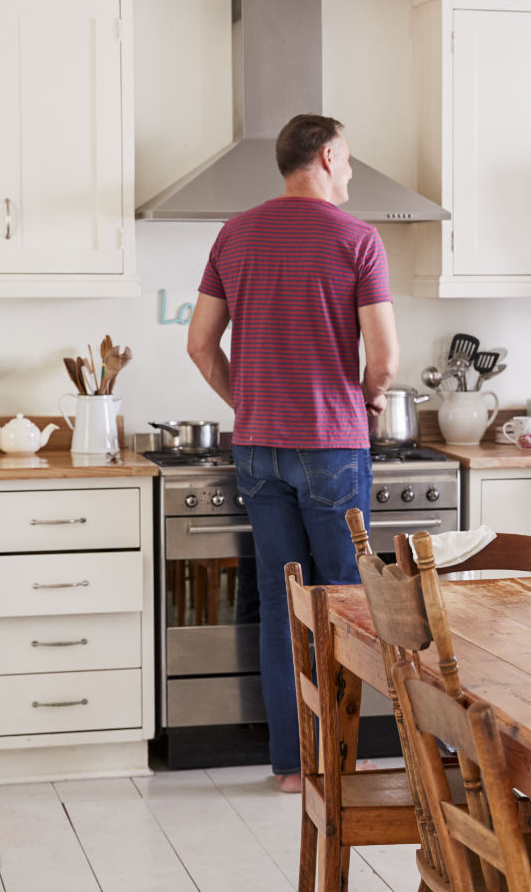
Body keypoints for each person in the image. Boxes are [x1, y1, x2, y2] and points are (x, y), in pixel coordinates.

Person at [187, 114, 399, 793]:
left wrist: (246, 402)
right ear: (329, 156)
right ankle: (338, 760)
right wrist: (365, 399)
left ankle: (290, 766)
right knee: (342, 602)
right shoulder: (357, 239)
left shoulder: (234, 233)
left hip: (257, 447)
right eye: (351, 159)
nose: (353, 173)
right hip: (332, 447)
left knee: (283, 606)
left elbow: (197, 344)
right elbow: (386, 358)